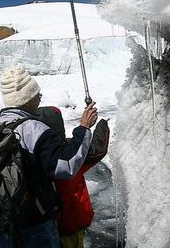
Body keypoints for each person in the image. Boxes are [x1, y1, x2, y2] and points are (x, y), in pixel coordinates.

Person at [0, 65, 98, 248]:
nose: (39, 99)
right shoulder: (34, 129)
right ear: (27, 98)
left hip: (2, 226)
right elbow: (65, 165)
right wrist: (84, 127)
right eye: (37, 95)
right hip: (34, 224)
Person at [34, 106, 110, 248]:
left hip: (41, 226)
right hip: (70, 225)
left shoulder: (31, 153)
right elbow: (97, 150)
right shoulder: (71, 152)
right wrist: (102, 125)